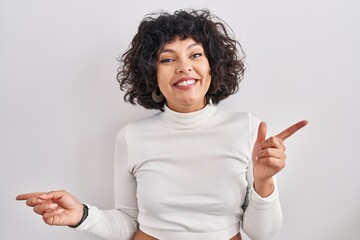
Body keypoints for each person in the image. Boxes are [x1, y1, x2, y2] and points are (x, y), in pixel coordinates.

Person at [16, 9, 308, 240]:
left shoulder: (247, 129)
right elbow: (128, 223)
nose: (184, 67)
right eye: (168, 59)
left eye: (196, 54)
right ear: (151, 74)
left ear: (212, 65)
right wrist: (82, 215)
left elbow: (262, 233)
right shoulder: (132, 137)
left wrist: (264, 182)